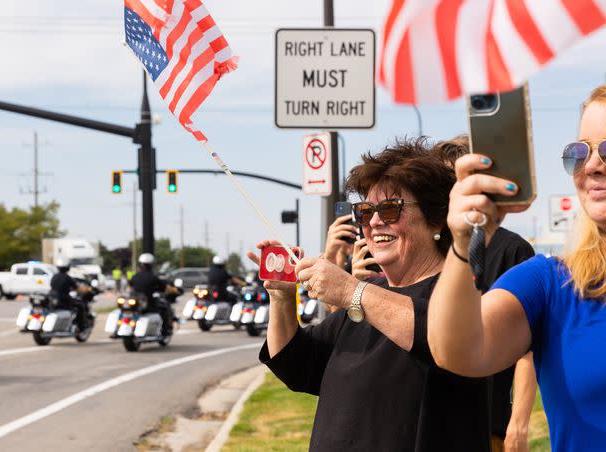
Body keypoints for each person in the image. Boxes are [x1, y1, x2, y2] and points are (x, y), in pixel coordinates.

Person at [250, 139, 490, 451]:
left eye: (390, 209)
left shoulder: (457, 290)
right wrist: (282, 298)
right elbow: (295, 365)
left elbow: (441, 336)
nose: (374, 222)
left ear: (435, 218)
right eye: (364, 212)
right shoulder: (371, 293)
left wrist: (350, 289)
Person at [428, 86, 606, 451]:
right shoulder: (551, 283)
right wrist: (463, 244)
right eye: (579, 152)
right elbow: (455, 350)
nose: (591, 166)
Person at [431, 136, 538, 452]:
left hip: (487, 423)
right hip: (427, 420)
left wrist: (517, 424)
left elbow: (527, 351)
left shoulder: (513, 249)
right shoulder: (427, 244)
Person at [129, 253, 174, 335]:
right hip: (149, 304)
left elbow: (130, 288)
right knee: (164, 307)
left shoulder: (134, 276)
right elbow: (163, 288)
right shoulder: (153, 277)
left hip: (136, 304)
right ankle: (165, 331)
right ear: (151, 265)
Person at [51, 258, 90, 331]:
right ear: (67, 267)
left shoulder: (54, 276)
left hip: (53, 299)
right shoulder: (67, 277)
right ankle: (82, 327)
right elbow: (78, 288)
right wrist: (87, 289)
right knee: (80, 306)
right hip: (64, 299)